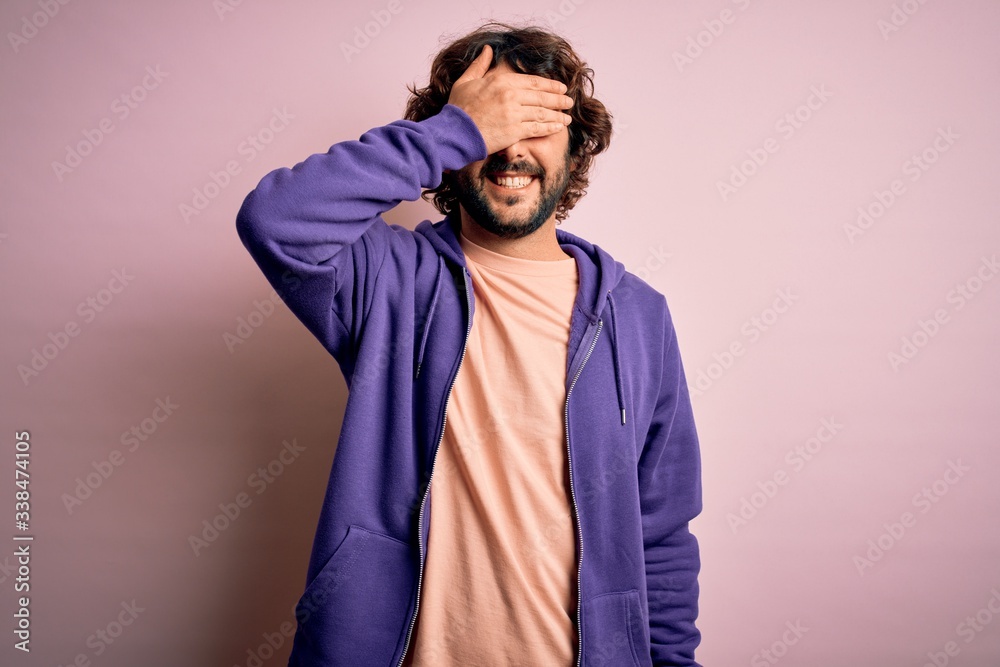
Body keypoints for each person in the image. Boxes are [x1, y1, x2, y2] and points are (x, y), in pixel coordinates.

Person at [235, 20, 703, 667]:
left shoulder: (638, 315)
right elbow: (274, 221)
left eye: (535, 123)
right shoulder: (386, 280)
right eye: (493, 125)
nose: (511, 149)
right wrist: (454, 130)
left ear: (576, 146)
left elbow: (661, 532)